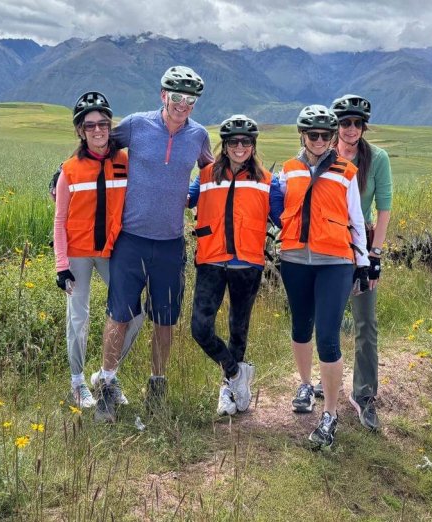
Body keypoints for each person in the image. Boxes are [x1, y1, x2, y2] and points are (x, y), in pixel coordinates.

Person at [93, 66, 214, 423]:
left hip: (170, 244)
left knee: (165, 321)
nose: (183, 104)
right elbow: (98, 145)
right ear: (163, 95)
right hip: (130, 241)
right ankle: (106, 389)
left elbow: (215, 174)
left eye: (190, 99)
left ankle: (157, 389)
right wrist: (64, 171)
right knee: (118, 316)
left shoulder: (199, 136)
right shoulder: (137, 125)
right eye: (177, 96)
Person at [272, 105, 370, 448]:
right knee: (300, 326)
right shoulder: (287, 170)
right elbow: (276, 209)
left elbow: (356, 219)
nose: (319, 140)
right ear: (302, 135)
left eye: (325, 135)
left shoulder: (346, 171)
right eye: (312, 135)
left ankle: (330, 413)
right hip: (295, 258)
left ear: (332, 138)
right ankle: (304, 384)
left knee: (327, 336)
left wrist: (365, 261)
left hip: (335, 262)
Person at [52, 91, 144, 408]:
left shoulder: (125, 162)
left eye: (103, 123)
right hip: (77, 254)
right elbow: (59, 219)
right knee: (78, 318)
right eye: (89, 125)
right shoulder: (69, 170)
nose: (97, 130)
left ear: (110, 126)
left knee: (134, 313)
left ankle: (107, 375)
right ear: (80, 130)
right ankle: (77, 383)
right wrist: (60, 266)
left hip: (112, 252)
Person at [187, 114, 280, 416]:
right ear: (224, 146)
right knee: (200, 329)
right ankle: (236, 372)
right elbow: (177, 198)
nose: (240, 147)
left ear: (253, 146)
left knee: (238, 331)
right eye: (233, 142)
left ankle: (228, 391)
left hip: (248, 265)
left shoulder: (267, 181)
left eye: (246, 142)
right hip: (211, 261)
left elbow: (287, 219)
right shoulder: (205, 175)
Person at [328, 94, 393, 431]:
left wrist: (375, 256)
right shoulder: (323, 152)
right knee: (325, 320)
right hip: (326, 245)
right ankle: (319, 388)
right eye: (345, 123)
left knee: (365, 323)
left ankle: (364, 394)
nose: (351, 129)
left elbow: (383, 208)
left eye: (357, 123)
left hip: (361, 246)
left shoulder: (377, 158)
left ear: (364, 127)